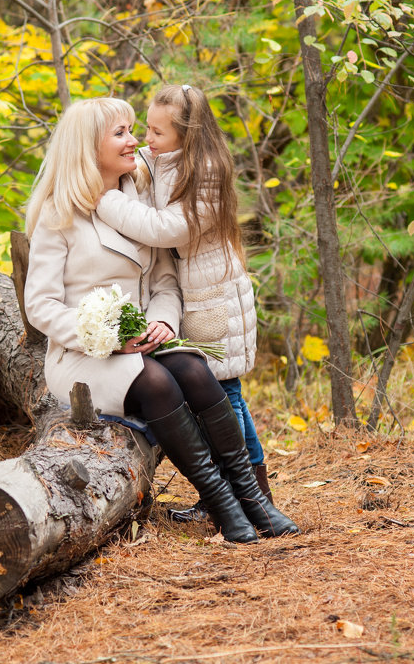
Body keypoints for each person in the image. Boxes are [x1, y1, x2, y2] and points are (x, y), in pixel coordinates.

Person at [24, 97, 298, 542]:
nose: (135, 141)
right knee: (158, 382)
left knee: (193, 366)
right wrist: (107, 338)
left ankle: (255, 502)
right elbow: (40, 306)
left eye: (133, 130)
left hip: (142, 343)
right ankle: (226, 508)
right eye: (121, 133)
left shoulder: (135, 200)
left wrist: (164, 323)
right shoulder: (59, 212)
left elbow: (165, 282)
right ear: (86, 145)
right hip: (81, 356)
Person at [95, 84, 272, 523]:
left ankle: (253, 494)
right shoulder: (160, 159)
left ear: (187, 134)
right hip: (185, 295)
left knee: (225, 393)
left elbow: (166, 230)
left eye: (157, 132)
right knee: (216, 393)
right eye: (146, 129)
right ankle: (238, 493)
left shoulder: (206, 170)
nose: (146, 140)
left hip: (212, 296)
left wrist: (106, 201)